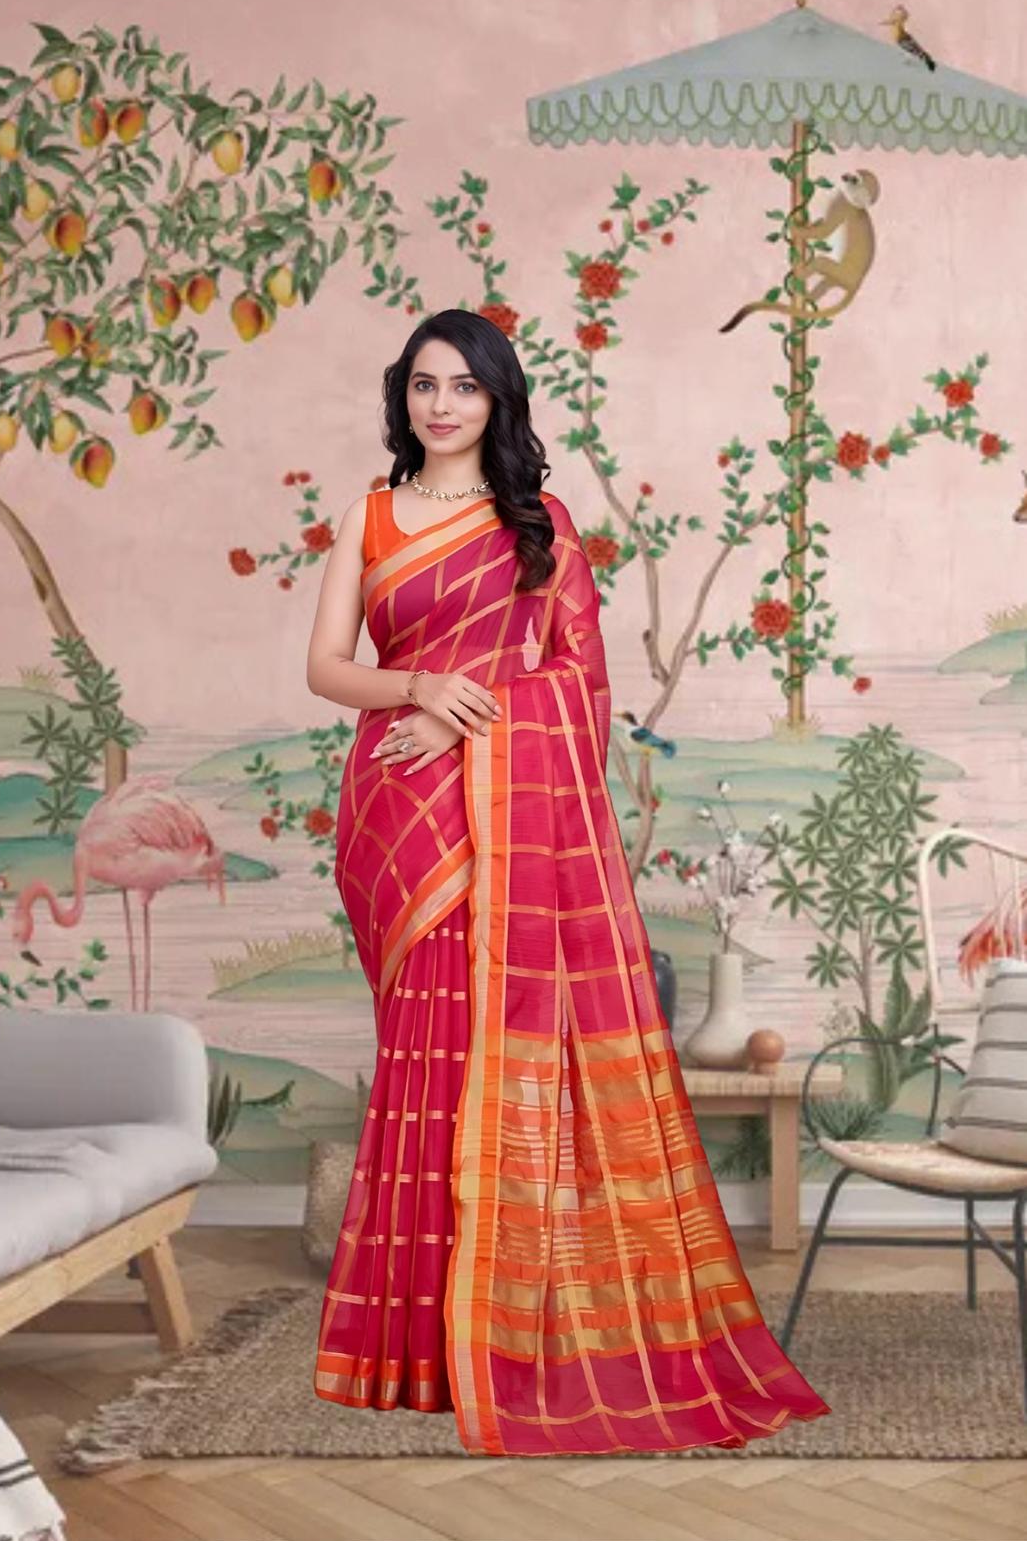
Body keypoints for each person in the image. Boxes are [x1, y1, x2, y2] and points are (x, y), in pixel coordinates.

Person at [305, 307, 831, 1457]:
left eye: (465, 388)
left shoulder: (539, 526)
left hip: (496, 811)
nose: (441, 405)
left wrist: (470, 721)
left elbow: (578, 688)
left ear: (498, 402)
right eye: (425, 385)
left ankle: (507, 1332)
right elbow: (325, 666)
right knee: (426, 1058)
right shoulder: (372, 515)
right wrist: (416, 695)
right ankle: (410, 1353)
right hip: (399, 819)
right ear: (403, 397)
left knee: (501, 1053)